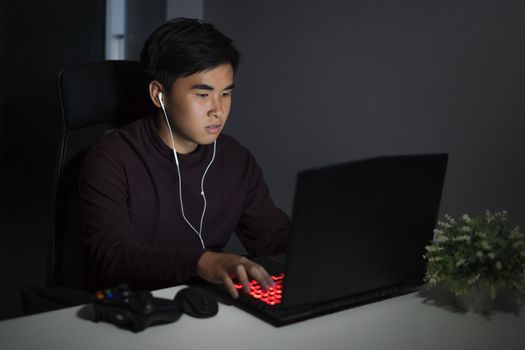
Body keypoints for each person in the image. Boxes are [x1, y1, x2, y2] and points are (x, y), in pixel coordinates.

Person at [79, 18, 290, 298]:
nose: (218, 110)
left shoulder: (235, 159)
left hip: (205, 304)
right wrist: (200, 262)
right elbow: (114, 256)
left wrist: (329, 239)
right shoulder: (110, 158)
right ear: (159, 95)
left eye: (225, 93)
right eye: (203, 94)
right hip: (133, 309)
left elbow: (271, 237)